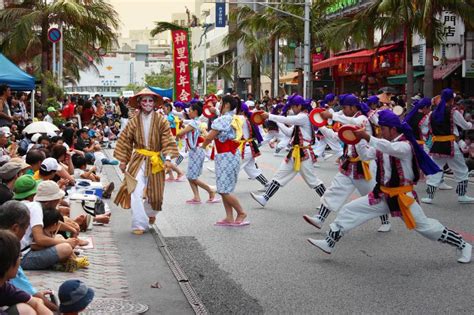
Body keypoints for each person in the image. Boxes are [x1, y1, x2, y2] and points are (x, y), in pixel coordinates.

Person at [307, 110, 472, 264]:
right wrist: (357, 140)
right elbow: (365, 155)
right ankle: (329, 242)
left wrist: (367, 137)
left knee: (426, 228)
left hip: (403, 198)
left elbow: (389, 148)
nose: (380, 132)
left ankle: (463, 245)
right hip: (382, 195)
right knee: (350, 209)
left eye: (383, 129)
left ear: (393, 129)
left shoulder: (404, 146)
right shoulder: (383, 144)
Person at [303, 95, 391, 232]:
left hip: (365, 165)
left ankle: (385, 220)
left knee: (372, 194)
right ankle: (320, 218)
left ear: (353, 107)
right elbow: (337, 135)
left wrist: (331, 115)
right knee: (334, 190)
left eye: (345, 108)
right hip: (349, 164)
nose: (343, 110)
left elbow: (350, 120)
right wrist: (320, 126)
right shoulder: (349, 120)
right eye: (342, 108)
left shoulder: (361, 119)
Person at [114, 88, 179, 234]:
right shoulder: (133, 121)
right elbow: (125, 141)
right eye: (144, 100)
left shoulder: (161, 120)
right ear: (139, 103)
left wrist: (168, 158)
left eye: (150, 100)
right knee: (135, 191)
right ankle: (139, 224)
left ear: (155, 103)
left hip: (155, 160)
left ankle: (150, 213)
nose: (148, 103)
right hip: (137, 160)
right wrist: (123, 161)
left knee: (156, 195)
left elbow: (168, 140)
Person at [250, 94, 326, 207]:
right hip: (296, 153)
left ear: (299, 106)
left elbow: (288, 119)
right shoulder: (301, 117)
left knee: (313, 181)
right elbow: (289, 133)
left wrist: (270, 116)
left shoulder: (303, 117)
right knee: (279, 175)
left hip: (303, 154)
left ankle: (327, 202)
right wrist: (277, 122)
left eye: (293, 107)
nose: (292, 109)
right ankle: (265, 198)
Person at [0, 201, 58, 312]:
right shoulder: (7, 250)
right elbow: (32, 297)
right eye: (26, 228)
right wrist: (59, 310)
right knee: (26, 309)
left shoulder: (6, 287)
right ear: (15, 228)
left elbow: (30, 297)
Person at [200, 95, 248, 226]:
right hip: (230, 155)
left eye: (220, 103)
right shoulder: (235, 118)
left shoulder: (223, 119)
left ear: (226, 105)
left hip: (226, 155)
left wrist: (203, 146)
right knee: (225, 188)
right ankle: (229, 217)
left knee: (222, 189)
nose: (218, 106)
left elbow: (210, 137)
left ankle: (241, 212)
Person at [422, 89, 474, 204]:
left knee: (435, 170)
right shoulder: (453, 112)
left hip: (436, 146)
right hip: (451, 146)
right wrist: (471, 124)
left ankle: (429, 197)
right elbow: (465, 126)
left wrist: (429, 136)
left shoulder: (432, 113)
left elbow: (424, 126)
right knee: (461, 169)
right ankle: (462, 195)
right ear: (451, 99)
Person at [0, 230, 53, 315]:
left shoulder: (4, 286)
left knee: (27, 308)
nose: (19, 262)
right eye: (19, 256)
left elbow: (35, 303)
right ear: (9, 262)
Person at [176, 102, 219, 204]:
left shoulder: (194, 123)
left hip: (196, 152)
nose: (188, 112)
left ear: (195, 112)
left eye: (190, 110)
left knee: (192, 177)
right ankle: (196, 197)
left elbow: (181, 133)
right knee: (191, 176)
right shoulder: (196, 122)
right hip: (195, 151)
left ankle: (210, 190)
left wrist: (178, 135)